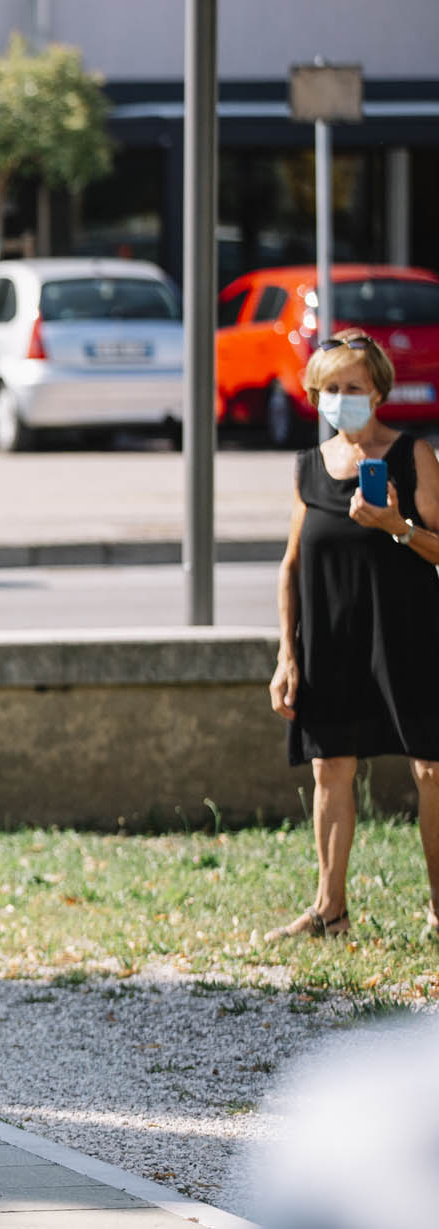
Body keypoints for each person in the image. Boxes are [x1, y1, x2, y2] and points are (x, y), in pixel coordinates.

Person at [269, 328, 439, 940]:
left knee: (432, 769)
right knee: (329, 769)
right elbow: (290, 565)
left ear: (379, 391)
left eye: (353, 388)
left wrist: (398, 526)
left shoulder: (412, 455)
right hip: (331, 639)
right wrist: (288, 654)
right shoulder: (308, 468)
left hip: (409, 636)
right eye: (330, 389)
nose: (341, 399)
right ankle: (329, 912)